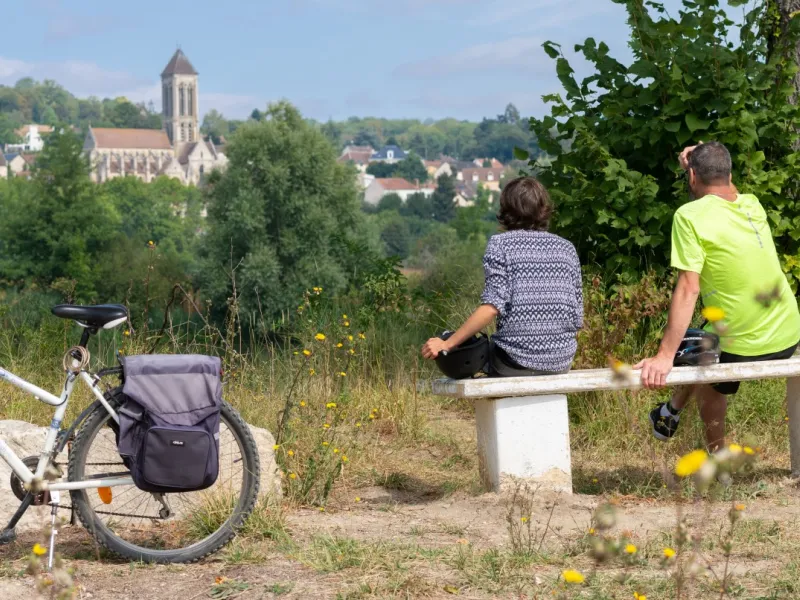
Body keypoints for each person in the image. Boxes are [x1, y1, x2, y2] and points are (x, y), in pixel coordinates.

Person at [636, 141, 800, 451]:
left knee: (696, 348)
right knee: (705, 335)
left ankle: (716, 453)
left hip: (740, 344)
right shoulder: (752, 204)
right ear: (728, 173)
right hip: (789, 334)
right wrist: (698, 166)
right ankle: (669, 413)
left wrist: (663, 356)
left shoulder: (688, 216)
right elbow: (726, 188)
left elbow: (689, 288)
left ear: (693, 177)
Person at [421, 176, 583, 376]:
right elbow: (577, 320)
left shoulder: (501, 245)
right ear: (543, 209)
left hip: (515, 362)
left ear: (507, 210)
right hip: (561, 362)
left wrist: (447, 344)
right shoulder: (567, 248)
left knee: (469, 351)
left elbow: (491, 308)